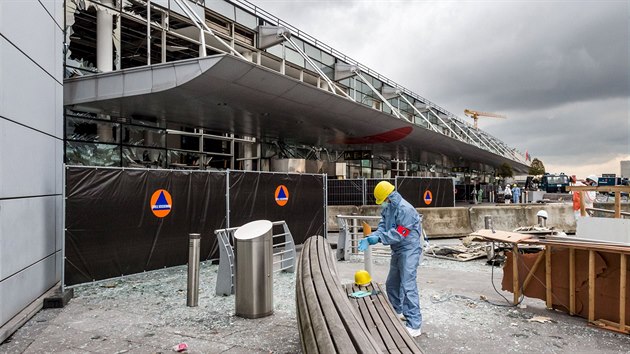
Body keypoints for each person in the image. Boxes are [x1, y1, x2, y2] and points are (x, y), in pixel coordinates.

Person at [357, 181, 423, 337]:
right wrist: (374, 235)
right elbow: (383, 225)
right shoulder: (390, 207)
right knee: (392, 283)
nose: (382, 205)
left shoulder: (405, 210)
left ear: (389, 197)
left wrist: (379, 239)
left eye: (383, 201)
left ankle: (414, 325)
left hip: (409, 249)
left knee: (408, 285)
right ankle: (397, 311)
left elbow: (399, 233)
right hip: (398, 249)